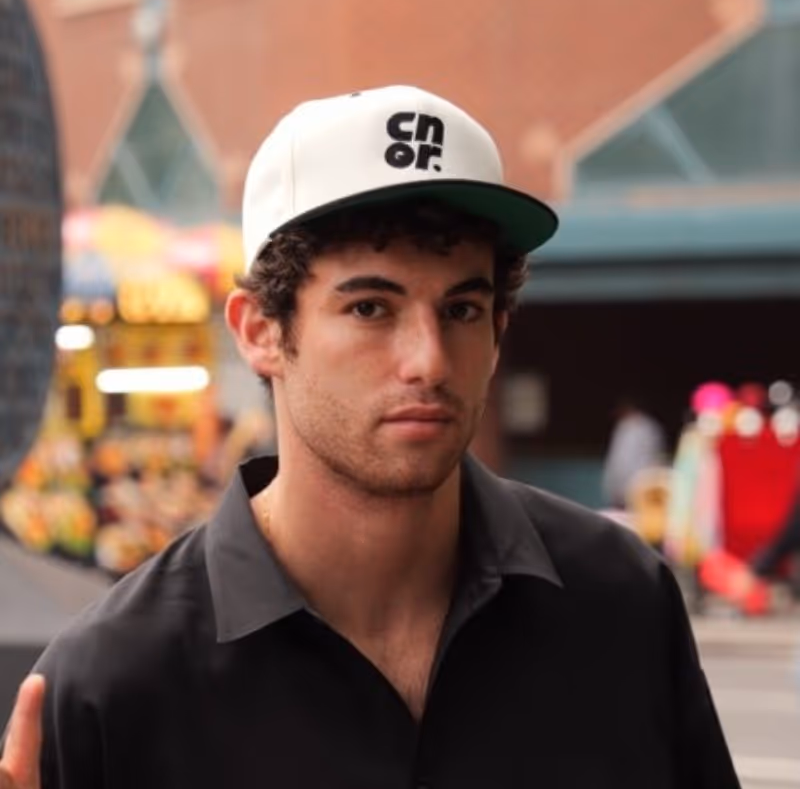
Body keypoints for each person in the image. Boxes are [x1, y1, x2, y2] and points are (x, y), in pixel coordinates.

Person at [1, 86, 740, 788]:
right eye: (369, 310)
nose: (428, 360)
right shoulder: (113, 681)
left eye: (461, 310)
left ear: (499, 329)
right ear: (260, 331)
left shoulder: (620, 602)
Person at [602, 397, 668, 510]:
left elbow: (654, 459)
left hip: (640, 488)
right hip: (624, 490)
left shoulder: (647, 427)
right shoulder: (624, 426)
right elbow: (616, 461)